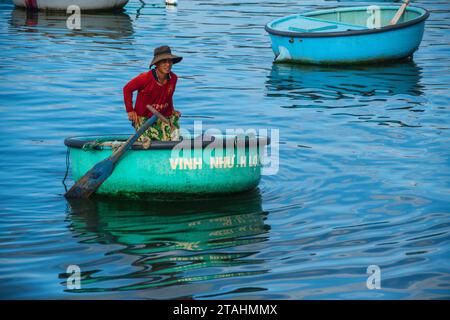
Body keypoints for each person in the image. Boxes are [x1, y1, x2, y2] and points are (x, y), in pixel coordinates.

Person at [123, 45, 182, 142]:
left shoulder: (173, 78)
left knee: (173, 137)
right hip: (144, 118)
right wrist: (130, 110)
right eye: (164, 62)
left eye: (169, 61)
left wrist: (171, 110)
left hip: (163, 116)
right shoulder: (145, 78)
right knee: (146, 140)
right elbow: (127, 89)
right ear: (157, 64)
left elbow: (168, 96)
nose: (168, 65)